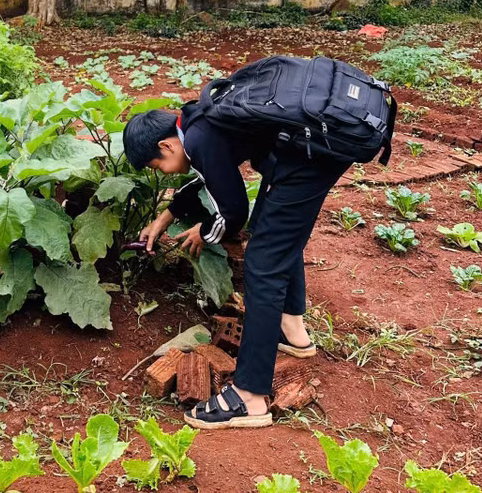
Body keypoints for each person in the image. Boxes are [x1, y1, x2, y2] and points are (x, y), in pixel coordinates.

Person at [123, 106, 351, 429]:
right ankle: (292, 331)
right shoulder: (198, 122)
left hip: (308, 156)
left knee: (263, 261)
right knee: (275, 233)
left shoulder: (199, 140)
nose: (161, 173)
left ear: (166, 145)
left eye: (155, 165)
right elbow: (208, 178)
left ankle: (249, 396)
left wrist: (205, 232)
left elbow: (233, 214)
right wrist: (165, 218)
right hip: (309, 148)